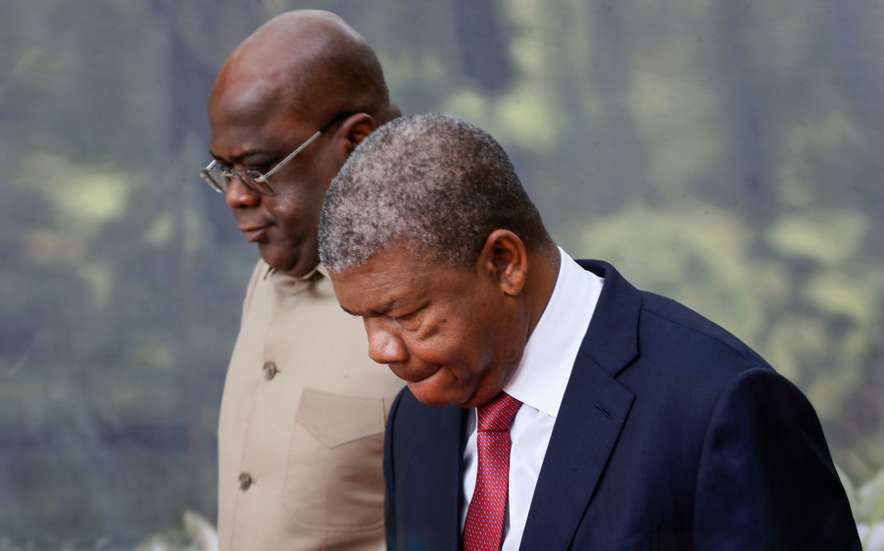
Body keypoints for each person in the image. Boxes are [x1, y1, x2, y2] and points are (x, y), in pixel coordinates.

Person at [318, 114, 861, 550]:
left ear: (505, 263)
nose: (379, 349)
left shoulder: (719, 407)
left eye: (405, 313)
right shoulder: (417, 422)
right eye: (362, 318)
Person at [203, 10, 403, 550]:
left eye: (259, 167)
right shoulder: (275, 265)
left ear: (357, 142)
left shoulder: (440, 302)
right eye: (223, 170)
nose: (236, 196)